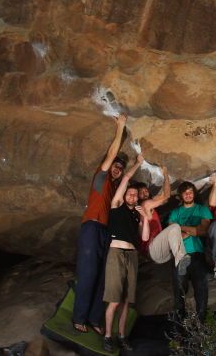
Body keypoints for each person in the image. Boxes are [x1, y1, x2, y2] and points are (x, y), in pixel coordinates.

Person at [73, 114, 137, 334]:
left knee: (104, 278)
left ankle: (93, 318)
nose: (117, 168)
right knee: (88, 273)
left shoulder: (114, 189)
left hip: (107, 233)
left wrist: (138, 164)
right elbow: (110, 155)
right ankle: (79, 317)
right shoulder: (100, 179)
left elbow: (127, 180)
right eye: (115, 165)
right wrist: (120, 128)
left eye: (120, 166)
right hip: (92, 226)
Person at [103, 154, 149, 351]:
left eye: (134, 195)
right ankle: (107, 336)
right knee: (114, 299)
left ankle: (122, 336)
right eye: (129, 194)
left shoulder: (136, 216)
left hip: (132, 256)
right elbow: (125, 180)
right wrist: (138, 162)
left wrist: (145, 218)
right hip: (116, 253)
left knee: (126, 302)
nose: (131, 196)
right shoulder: (116, 207)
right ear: (124, 196)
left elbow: (145, 238)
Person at [169, 181, 212, 322]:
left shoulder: (202, 210)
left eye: (190, 192)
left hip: (197, 255)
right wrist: (192, 230)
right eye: (185, 192)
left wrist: (181, 228)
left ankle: (201, 331)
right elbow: (172, 234)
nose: (188, 195)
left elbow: (203, 230)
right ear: (181, 195)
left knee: (201, 291)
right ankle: (180, 332)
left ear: (194, 193)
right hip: (180, 255)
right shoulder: (175, 212)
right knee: (179, 293)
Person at [136, 167, 191, 276]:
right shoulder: (144, 205)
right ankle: (180, 260)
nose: (145, 193)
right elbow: (166, 195)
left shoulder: (150, 208)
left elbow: (165, 199)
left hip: (160, 256)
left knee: (182, 235)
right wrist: (166, 174)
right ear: (137, 197)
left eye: (146, 190)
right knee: (175, 227)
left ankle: (181, 268)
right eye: (141, 192)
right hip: (152, 250)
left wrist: (180, 236)